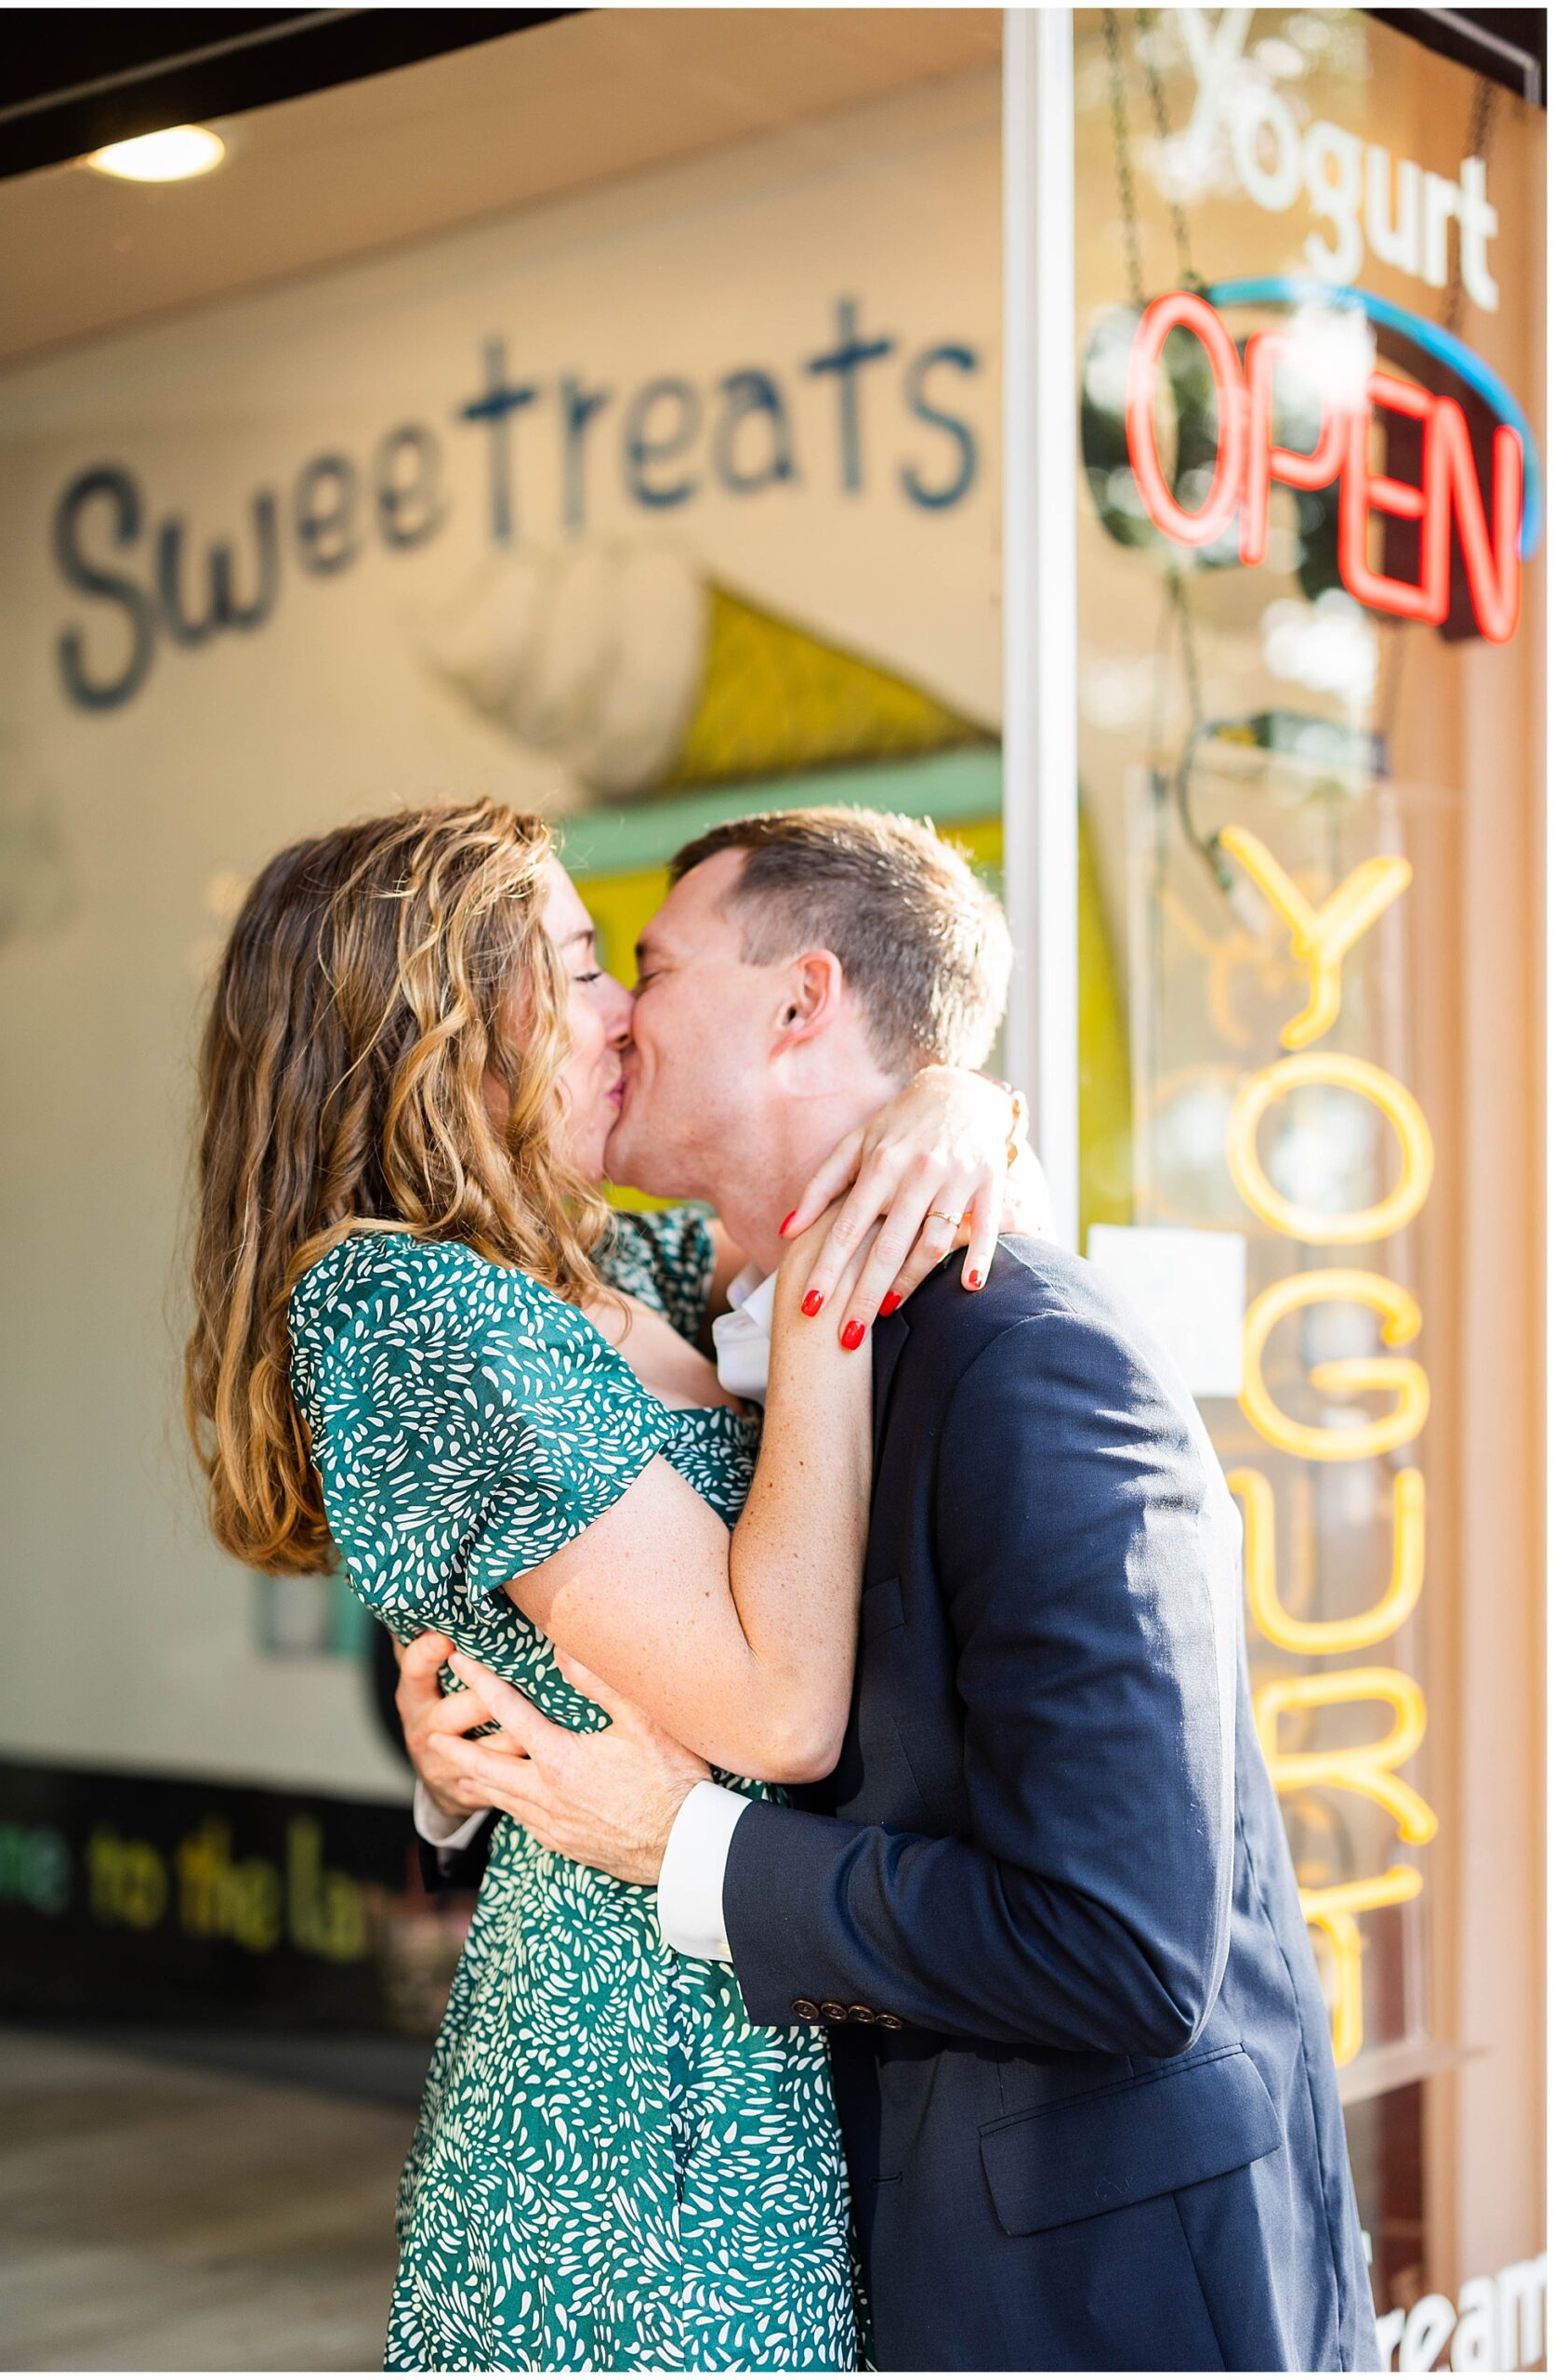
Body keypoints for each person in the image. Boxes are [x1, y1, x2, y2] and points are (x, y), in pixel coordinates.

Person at [425, 807, 1382, 2374]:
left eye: (651, 967)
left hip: (1097, 2293)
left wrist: (687, 1848)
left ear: (801, 1003)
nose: (617, 1019)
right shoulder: (701, 1324)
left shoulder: (1032, 1362)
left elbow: (1121, 1947)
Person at [183, 797, 1029, 2374]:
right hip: (630, 2099)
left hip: (772, 2009)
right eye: (579, 969)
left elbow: (820, 1159)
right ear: (443, 1032)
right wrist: (828, 1310)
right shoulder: (401, 1305)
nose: (624, 1010)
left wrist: (960, 1102)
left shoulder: (622, 1264)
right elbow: (774, 1713)